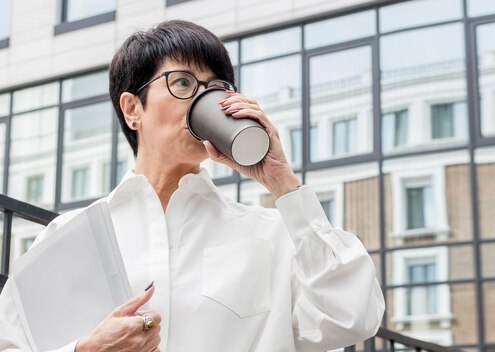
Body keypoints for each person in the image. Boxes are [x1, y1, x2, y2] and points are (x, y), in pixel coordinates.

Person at [0, 20, 384, 352]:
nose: (205, 100)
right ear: (133, 109)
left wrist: (282, 182)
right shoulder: (67, 236)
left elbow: (352, 316)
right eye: (183, 81)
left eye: (216, 87)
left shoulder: (270, 235)